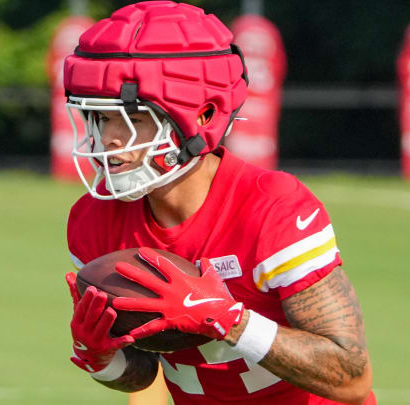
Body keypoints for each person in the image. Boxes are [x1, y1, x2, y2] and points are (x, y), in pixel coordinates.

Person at [63, 2, 376, 404]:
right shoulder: (94, 220)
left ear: (203, 116)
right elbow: (143, 375)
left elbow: (352, 378)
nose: (109, 139)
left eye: (133, 118)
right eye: (101, 118)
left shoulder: (272, 209)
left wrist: (229, 321)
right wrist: (102, 358)